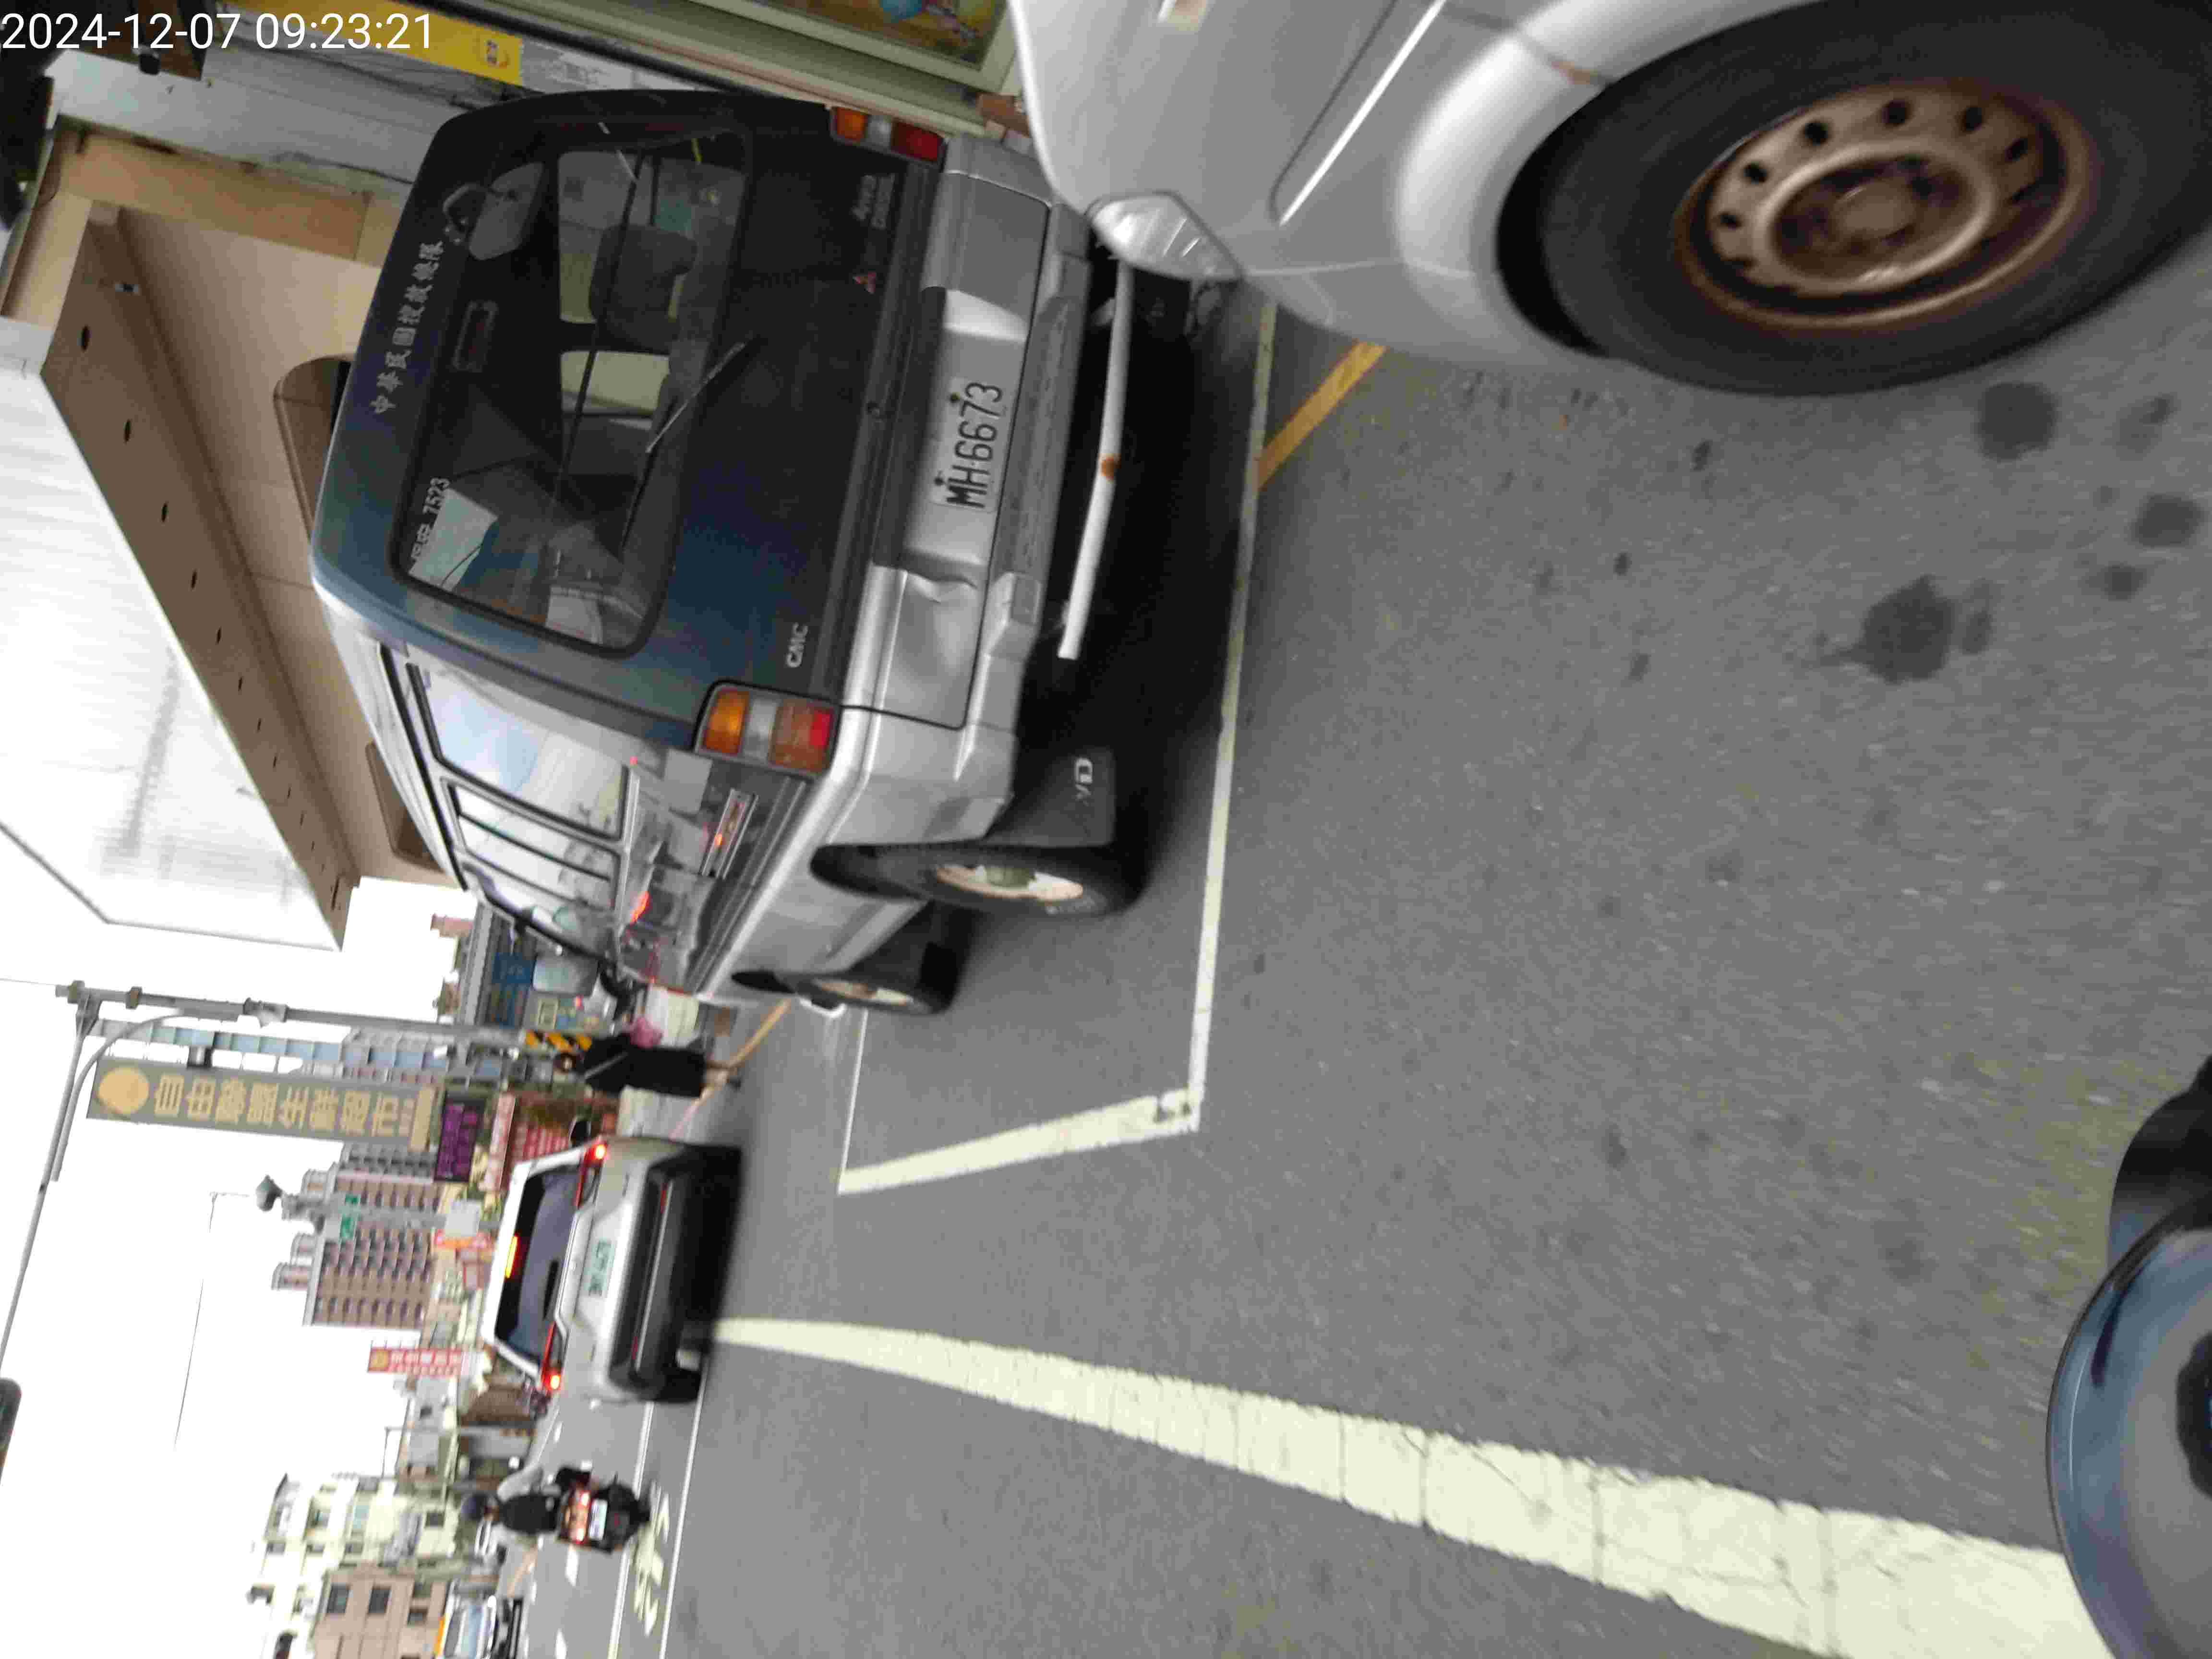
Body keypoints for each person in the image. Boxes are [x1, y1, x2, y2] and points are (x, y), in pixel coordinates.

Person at [553, 1027, 734, 1097]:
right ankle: (726, 1068)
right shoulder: (593, 1050)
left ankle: (723, 1080)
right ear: (571, 1055)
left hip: (644, 1080)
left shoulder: (591, 1081)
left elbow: (616, 1089)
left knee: (685, 1082)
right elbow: (620, 1041)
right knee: (688, 1062)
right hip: (646, 1058)